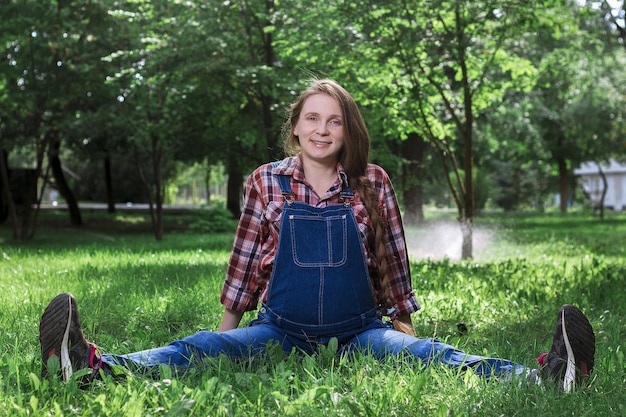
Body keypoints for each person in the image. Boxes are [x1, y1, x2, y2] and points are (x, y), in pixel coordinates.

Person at [39, 79, 595, 392]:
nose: (322, 130)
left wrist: (406, 335)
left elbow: (392, 266)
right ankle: (89, 365)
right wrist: (227, 335)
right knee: (198, 349)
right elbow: (244, 265)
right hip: (279, 329)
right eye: (312, 119)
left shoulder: (373, 183)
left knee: (437, 355)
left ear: (347, 128)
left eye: (334, 120)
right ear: (296, 125)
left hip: (360, 331)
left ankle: (548, 375)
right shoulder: (266, 181)